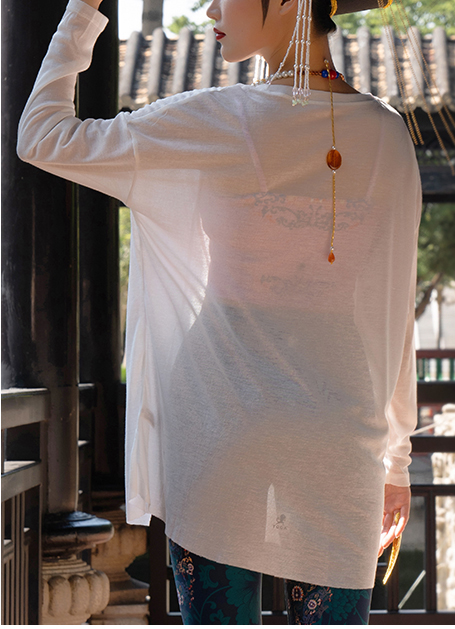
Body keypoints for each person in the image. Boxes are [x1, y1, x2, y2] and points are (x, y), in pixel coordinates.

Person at [17, 0, 421, 623]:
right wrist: (397, 459)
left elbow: (43, 136)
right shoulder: (388, 134)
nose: (209, 9)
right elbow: (394, 310)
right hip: (339, 430)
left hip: (220, 422)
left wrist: (81, 12)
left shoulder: (216, 117)